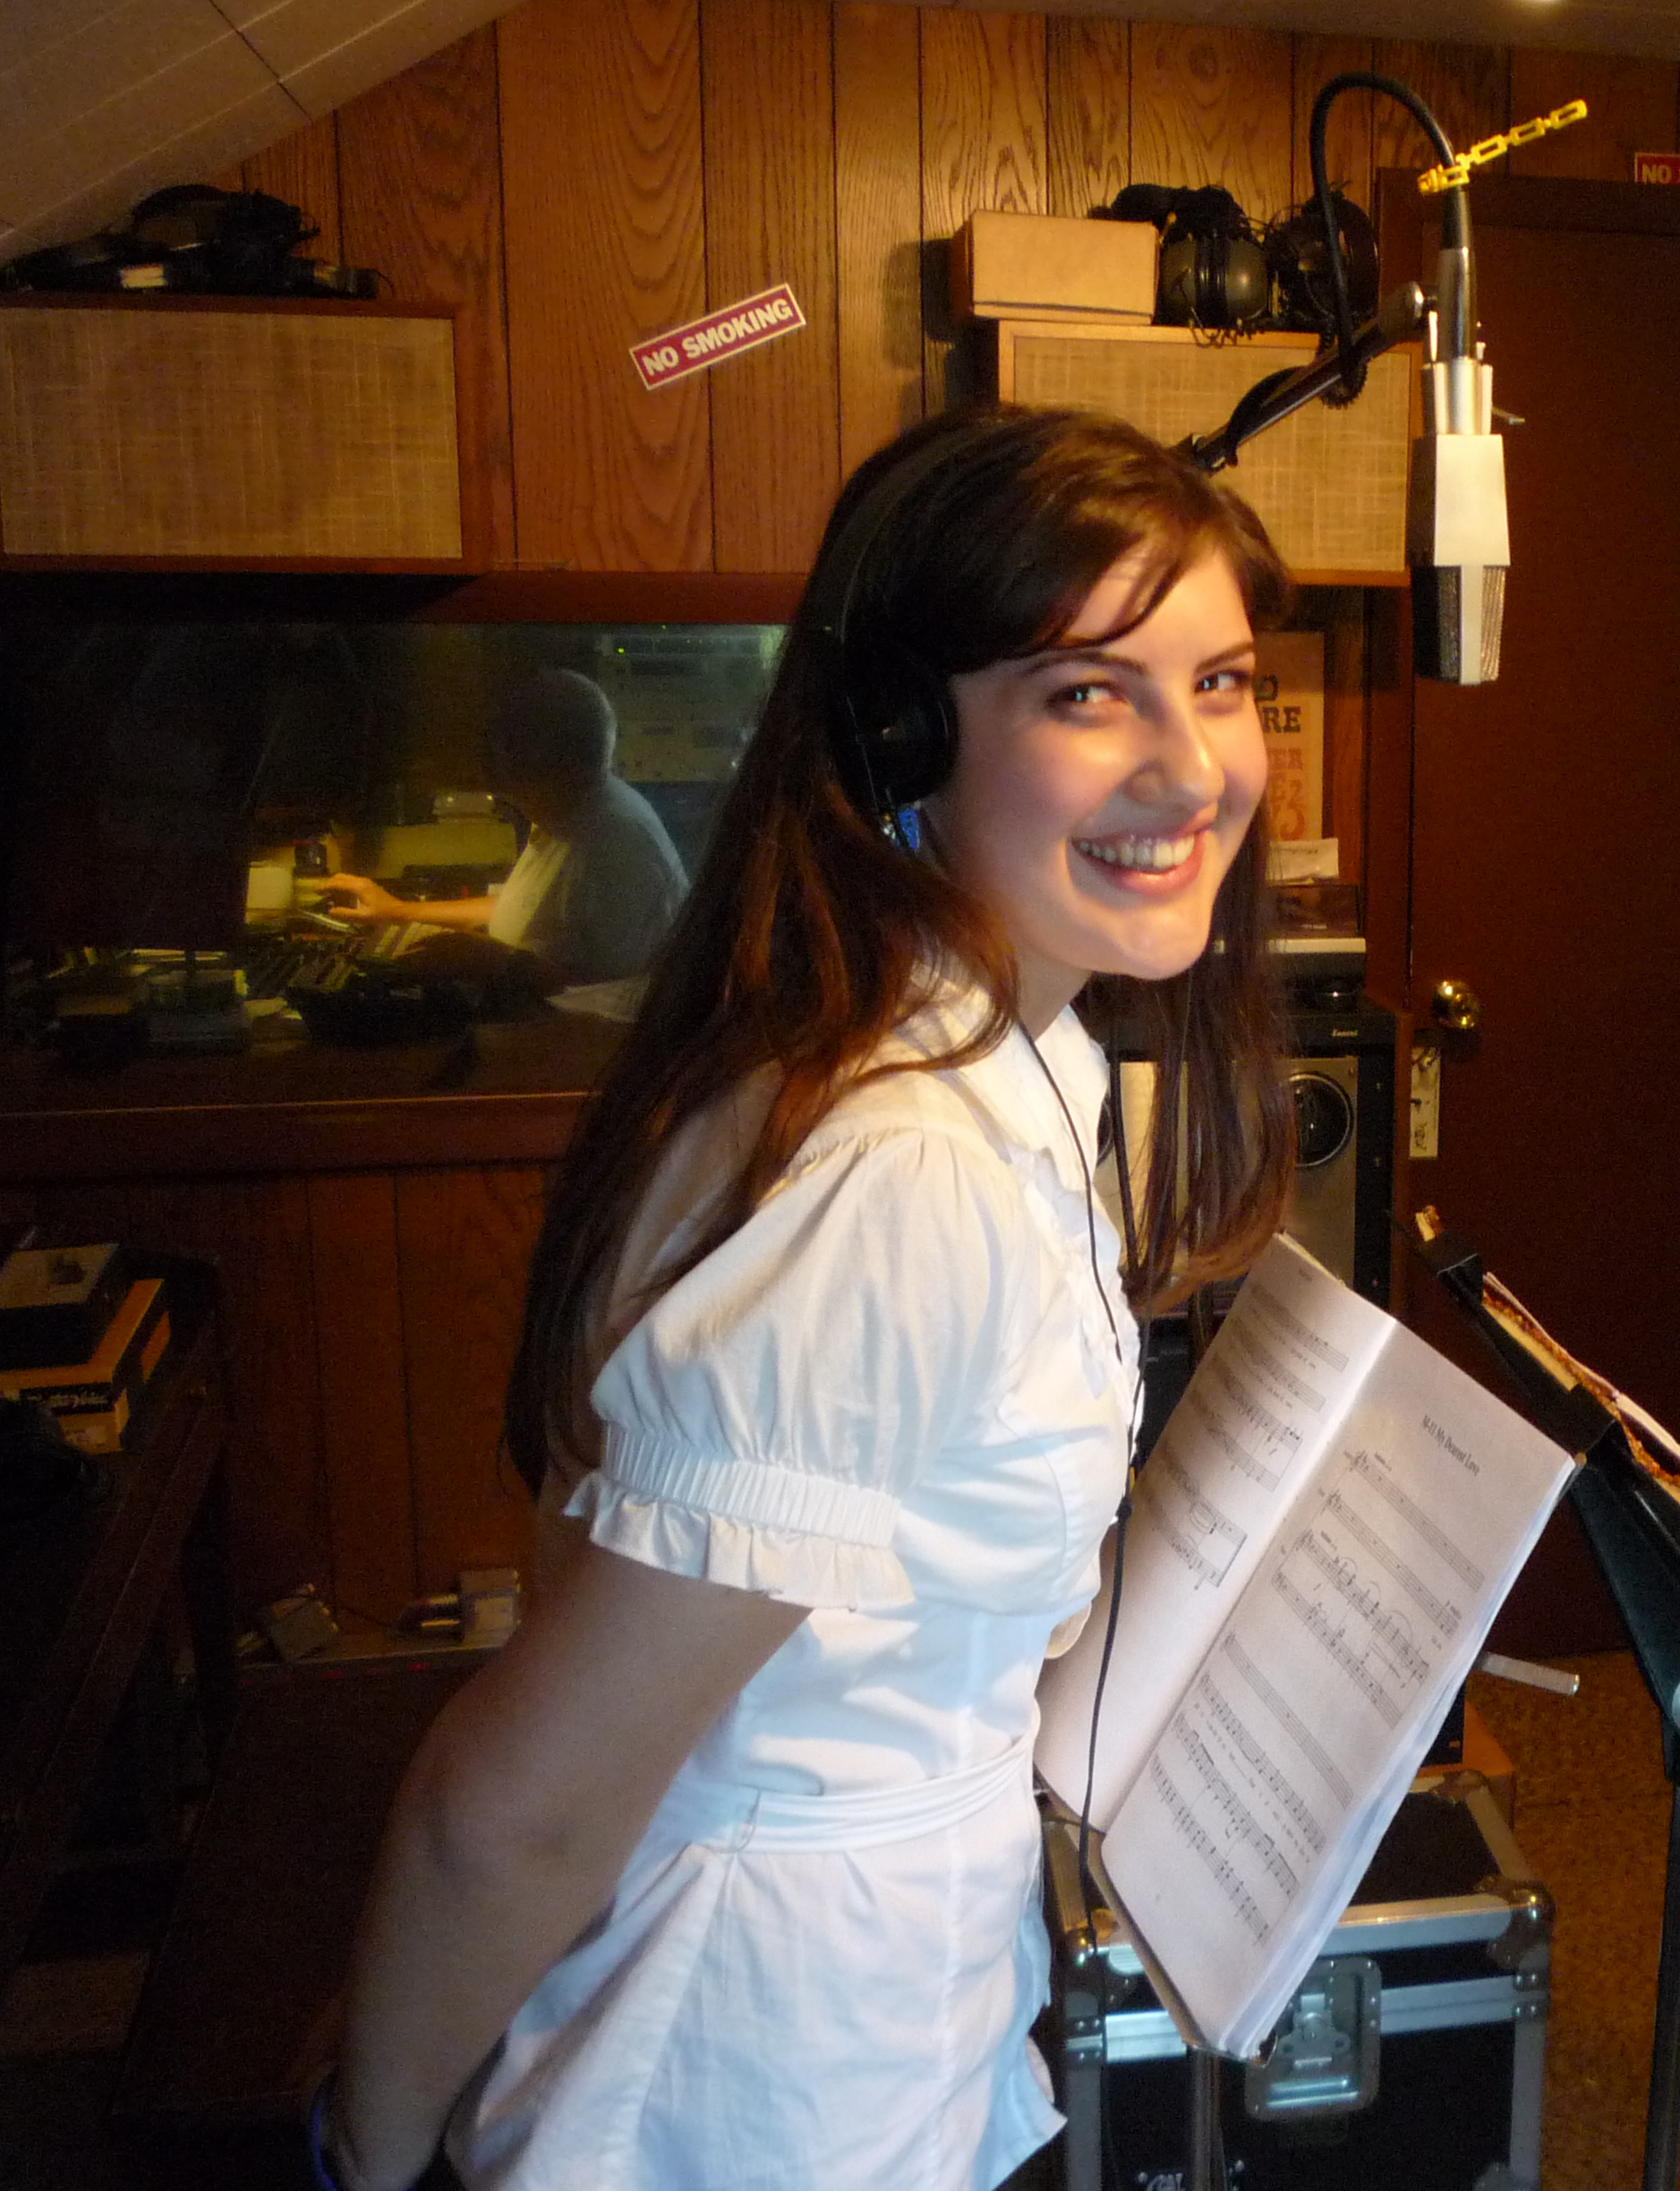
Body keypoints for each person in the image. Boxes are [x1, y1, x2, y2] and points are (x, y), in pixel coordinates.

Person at [316, 406, 1295, 2191]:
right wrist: (363, 2158)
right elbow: (512, 1814)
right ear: (903, 737)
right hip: (742, 2084)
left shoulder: (1004, 1052)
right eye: (1088, 693)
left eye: (1220, 681)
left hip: (883, 2002)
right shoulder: (898, 1174)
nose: (1192, 766)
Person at [321, 667, 687, 991]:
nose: (500, 783)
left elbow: (598, 985)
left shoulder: (614, 840)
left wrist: (491, 961)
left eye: (515, 761)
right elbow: (530, 909)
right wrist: (400, 911)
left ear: (564, 764)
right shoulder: (570, 811)